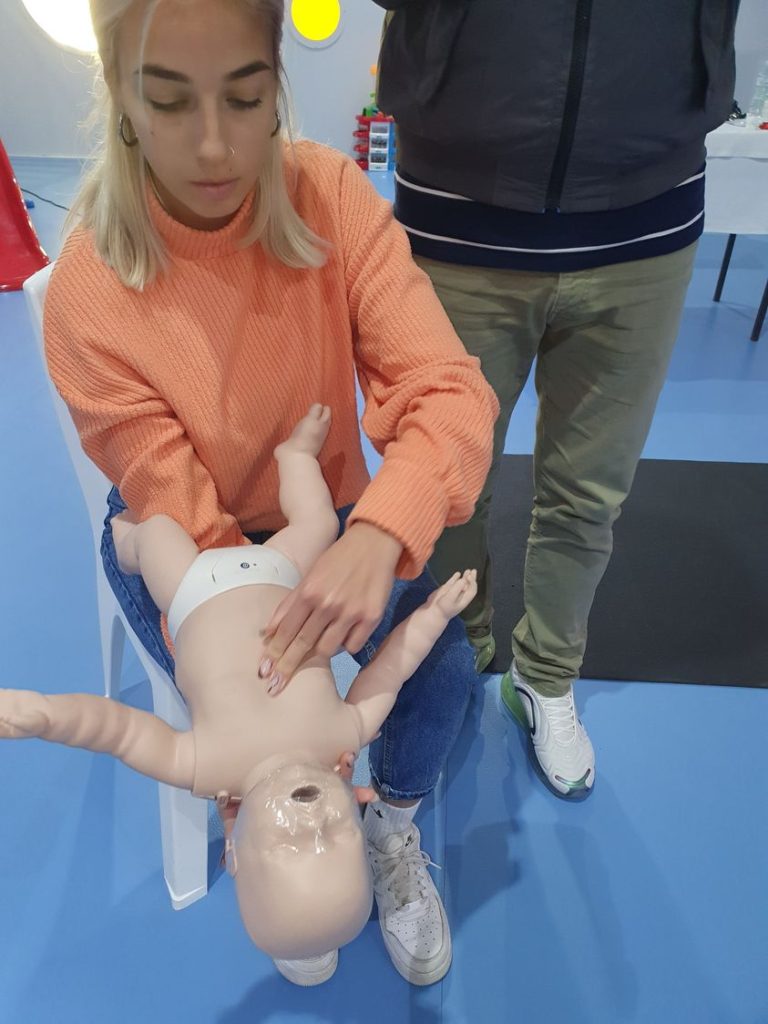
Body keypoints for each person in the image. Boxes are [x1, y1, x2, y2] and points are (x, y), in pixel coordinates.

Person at [43, 0, 498, 988]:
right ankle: (268, 844)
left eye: (245, 99)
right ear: (119, 94)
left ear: (278, 83)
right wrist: (281, 732)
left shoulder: (330, 198)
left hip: (326, 516)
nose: (214, 145)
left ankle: (392, 823)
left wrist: (377, 534)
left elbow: (450, 394)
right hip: (183, 540)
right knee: (268, 713)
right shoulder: (89, 289)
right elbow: (188, 523)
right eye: (170, 101)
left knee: (448, 670)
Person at [374, 0, 740, 796]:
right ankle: (451, 657)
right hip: (460, 202)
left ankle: (545, 676)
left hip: (649, 200)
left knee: (589, 490)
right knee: (445, 480)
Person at [0, 406, 477, 979]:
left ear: (234, 852)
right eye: (337, 834)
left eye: (289, 845)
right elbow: (391, 672)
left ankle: (129, 542)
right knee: (318, 523)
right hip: (279, 571)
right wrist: (431, 616)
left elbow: (116, 731)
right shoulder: (343, 735)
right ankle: (292, 458)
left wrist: (42, 716)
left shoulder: (204, 765)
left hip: (192, 587)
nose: (310, 821)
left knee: (156, 532)